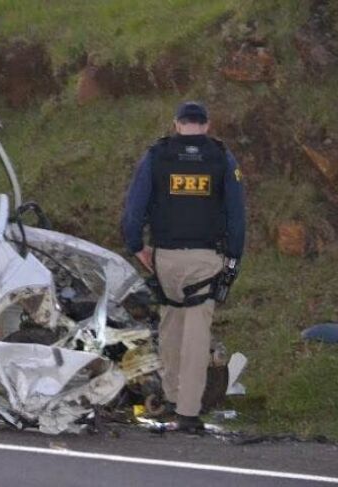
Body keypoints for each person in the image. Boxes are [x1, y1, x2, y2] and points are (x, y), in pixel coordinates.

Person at [121, 101, 245, 433]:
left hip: (165, 259)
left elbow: (134, 210)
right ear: (206, 125)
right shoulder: (222, 157)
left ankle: (172, 398)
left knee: (170, 326)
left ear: (177, 124)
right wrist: (233, 259)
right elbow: (236, 214)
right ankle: (188, 413)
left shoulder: (156, 155)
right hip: (205, 260)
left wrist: (137, 247)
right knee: (196, 334)